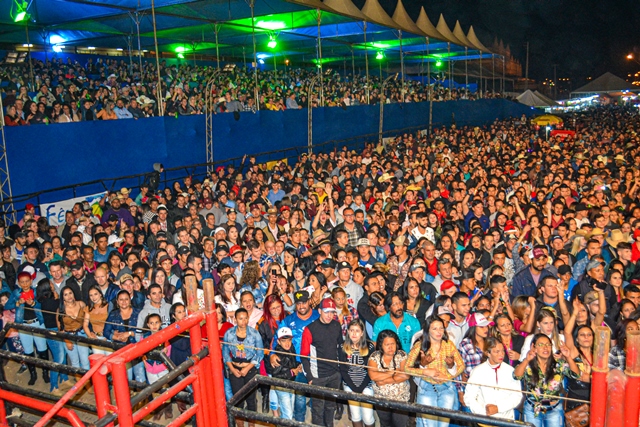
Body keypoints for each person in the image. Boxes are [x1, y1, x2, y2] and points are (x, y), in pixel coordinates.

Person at [405, 315, 465, 427]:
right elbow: (406, 368)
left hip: (446, 388)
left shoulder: (449, 345)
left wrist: (448, 374)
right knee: (430, 425)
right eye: (435, 328)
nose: (439, 331)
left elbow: (461, 365)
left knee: (443, 425)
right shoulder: (420, 345)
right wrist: (425, 371)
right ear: (428, 330)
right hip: (427, 388)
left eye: (441, 328)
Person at [270, 289, 319, 423]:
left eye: (304, 302)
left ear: (309, 301)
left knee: (318, 395)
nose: (301, 306)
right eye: (298, 303)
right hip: (297, 363)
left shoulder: (317, 316)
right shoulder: (288, 320)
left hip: (317, 363)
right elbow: (276, 339)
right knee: (300, 396)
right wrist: (272, 354)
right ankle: (299, 421)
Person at [514, 333, 580, 426]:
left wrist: (568, 357)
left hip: (554, 409)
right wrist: (526, 360)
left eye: (548, 344)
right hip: (532, 409)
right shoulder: (528, 364)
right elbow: (516, 376)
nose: (545, 348)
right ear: (533, 347)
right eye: (541, 345)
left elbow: (576, 375)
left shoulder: (558, 364)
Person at [300, 298, 344, 427]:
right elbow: (303, 355)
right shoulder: (310, 329)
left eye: (332, 312)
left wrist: (340, 371)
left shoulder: (336, 326)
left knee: (330, 406)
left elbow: (340, 348)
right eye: (326, 312)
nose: (329, 315)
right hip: (318, 376)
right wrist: (309, 377)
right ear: (319, 311)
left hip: (334, 375)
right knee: (318, 410)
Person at [222, 307, 264, 426]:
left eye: (246, 318)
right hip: (234, 368)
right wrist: (232, 369)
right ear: (235, 319)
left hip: (250, 368)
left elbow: (260, 353)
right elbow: (225, 353)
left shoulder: (255, 333)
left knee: (251, 398)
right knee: (238, 398)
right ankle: (240, 423)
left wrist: (247, 367)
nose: (244, 321)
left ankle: (251, 423)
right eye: (240, 319)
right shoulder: (229, 333)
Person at [463, 337, 523, 420]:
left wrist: (498, 408)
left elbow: (517, 396)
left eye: (502, 350)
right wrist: (483, 412)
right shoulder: (478, 371)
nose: (501, 354)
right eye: (497, 352)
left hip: (506, 418)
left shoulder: (510, 370)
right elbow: (469, 397)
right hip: (484, 419)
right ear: (488, 353)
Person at [368, 329, 411, 427]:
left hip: (401, 399)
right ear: (381, 345)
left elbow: (405, 375)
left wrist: (383, 380)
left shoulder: (402, 355)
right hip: (381, 399)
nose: (391, 347)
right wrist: (393, 372)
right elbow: (373, 376)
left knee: (400, 424)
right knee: (385, 424)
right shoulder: (374, 356)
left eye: (393, 343)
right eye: (387, 345)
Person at [338, 319, 376, 427]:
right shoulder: (342, 347)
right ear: (348, 332)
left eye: (357, 331)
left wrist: (361, 388)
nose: (354, 333)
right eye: (352, 330)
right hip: (349, 385)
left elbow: (370, 370)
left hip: (366, 385)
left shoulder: (370, 347)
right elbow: (343, 370)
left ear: (362, 333)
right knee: (355, 415)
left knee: (368, 416)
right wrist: (353, 387)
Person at [267, 326, 300, 421]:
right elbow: (275, 375)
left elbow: (292, 363)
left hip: (290, 384)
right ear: (278, 342)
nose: (287, 343)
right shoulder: (276, 356)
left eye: (289, 340)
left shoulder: (291, 348)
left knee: (289, 410)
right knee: (288, 413)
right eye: (283, 341)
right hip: (282, 387)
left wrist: (298, 365)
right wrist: (292, 372)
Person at [57, 286, 91, 371]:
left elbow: (88, 319)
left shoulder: (81, 304)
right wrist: (67, 341)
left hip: (82, 334)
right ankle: (79, 382)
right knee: (75, 362)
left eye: (70, 293)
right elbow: (60, 328)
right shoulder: (60, 310)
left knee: (85, 361)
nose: (69, 296)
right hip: (68, 336)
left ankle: (87, 383)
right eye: (66, 294)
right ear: (62, 297)